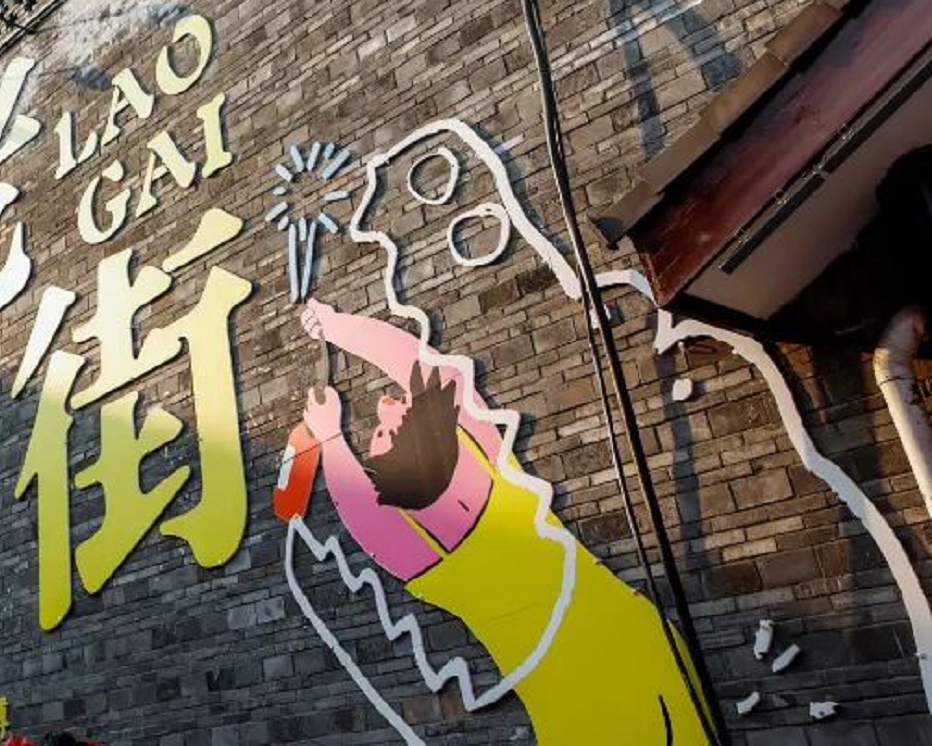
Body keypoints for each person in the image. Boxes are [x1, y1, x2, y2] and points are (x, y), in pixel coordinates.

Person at [299, 299, 709, 744]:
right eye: (383, 428)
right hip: (626, 639)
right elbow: (417, 365)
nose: (384, 404)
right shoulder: (496, 478)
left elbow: (366, 514)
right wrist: (337, 328)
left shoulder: (434, 562)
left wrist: (331, 437)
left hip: (567, 690)